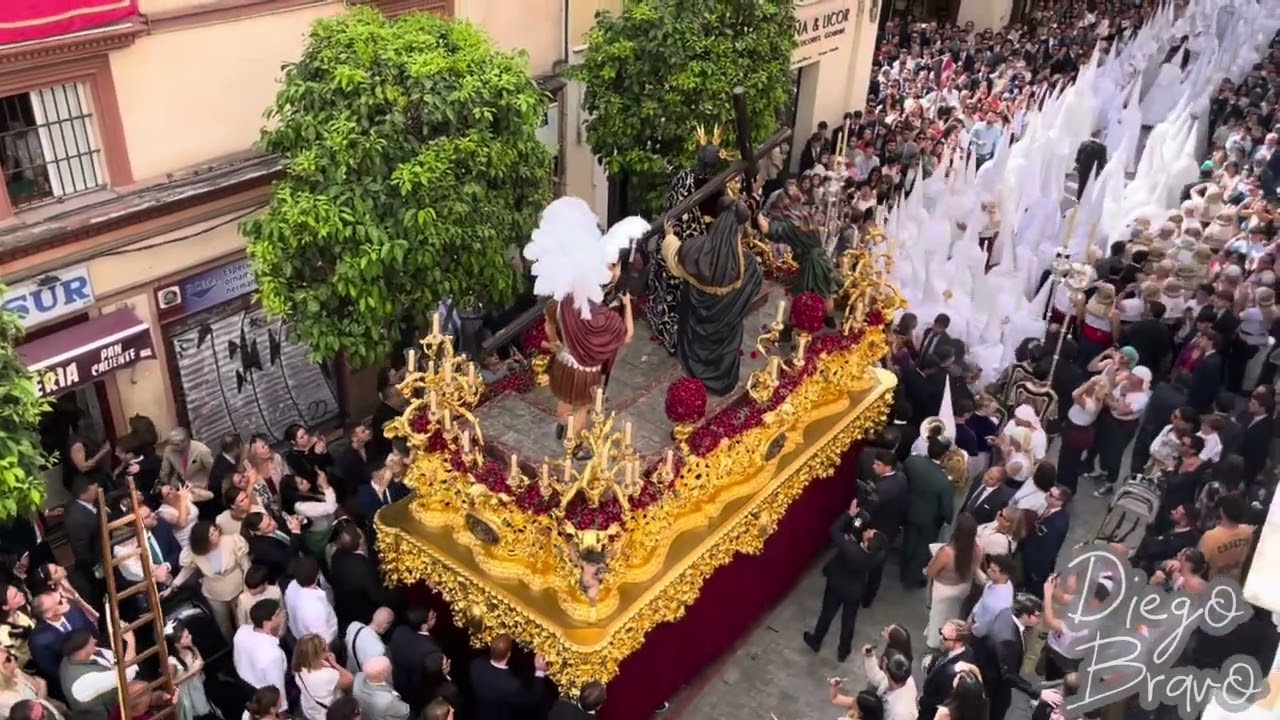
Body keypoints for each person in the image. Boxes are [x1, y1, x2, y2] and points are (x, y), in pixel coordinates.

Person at [526, 197, 640, 452]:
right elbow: (628, 335)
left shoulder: (566, 298)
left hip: (564, 363)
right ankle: (575, 445)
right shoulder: (603, 317)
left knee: (565, 398)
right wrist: (627, 303)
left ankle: (561, 428)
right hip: (586, 372)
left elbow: (549, 321)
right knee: (583, 407)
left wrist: (556, 343)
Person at [660, 200, 765, 396]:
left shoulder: (696, 250)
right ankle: (719, 379)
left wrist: (669, 236)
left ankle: (695, 370)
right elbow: (754, 285)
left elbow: (674, 258)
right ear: (738, 230)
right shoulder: (747, 264)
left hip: (696, 324)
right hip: (725, 330)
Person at [803, 498, 886, 661]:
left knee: (827, 614)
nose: (869, 531)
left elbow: (834, 530)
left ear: (866, 543)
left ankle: (816, 640)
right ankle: (843, 651)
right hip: (855, 590)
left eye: (870, 534)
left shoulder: (851, 549)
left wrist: (850, 514)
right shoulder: (878, 555)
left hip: (837, 585)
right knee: (849, 620)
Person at [173, 521, 251, 640]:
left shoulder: (232, 540)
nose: (215, 534)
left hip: (238, 588)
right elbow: (186, 570)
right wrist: (174, 584)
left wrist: (248, 585)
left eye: (215, 530)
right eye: (211, 534)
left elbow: (246, 564)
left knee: (243, 621)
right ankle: (230, 646)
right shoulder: (195, 553)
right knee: (223, 624)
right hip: (214, 594)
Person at [977, 594, 1042, 720]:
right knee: (997, 711)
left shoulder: (1006, 613)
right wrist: (1036, 691)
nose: (1039, 619)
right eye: (1037, 615)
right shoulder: (1009, 640)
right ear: (1025, 615)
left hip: (992, 667)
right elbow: (1008, 674)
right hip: (996, 684)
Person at [901, 438, 955, 588]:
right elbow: (946, 508)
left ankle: (903, 570)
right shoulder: (943, 481)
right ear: (943, 455)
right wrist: (948, 518)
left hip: (909, 511)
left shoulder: (912, 461)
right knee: (922, 550)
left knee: (909, 541)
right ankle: (912, 578)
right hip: (929, 520)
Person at [924, 513, 983, 649]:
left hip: (944, 589)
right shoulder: (977, 550)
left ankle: (934, 643)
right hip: (963, 587)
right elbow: (974, 569)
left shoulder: (946, 552)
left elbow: (931, 572)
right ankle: (950, 637)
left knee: (937, 618)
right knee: (953, 615)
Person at [468, 635, 547, 719]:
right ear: (509, 654)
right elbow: (532, 698)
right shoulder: (512, 685)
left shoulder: (476, 664)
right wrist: (540, 671)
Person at [233, 600, 288, 714]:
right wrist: (281, 710)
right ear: (266, 623)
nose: (282, 615)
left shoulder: (242, 631)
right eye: (278, 614)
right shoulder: (272, 655)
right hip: (264, 693)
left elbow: (236, 658)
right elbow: (277, 687)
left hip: (243, 684)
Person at [386, 608, 442, 714]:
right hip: (415, 694)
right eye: (432, 617)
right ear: (424, 625)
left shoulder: (399, 631)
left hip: (398, 682)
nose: (435, 615)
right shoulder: (430, 649)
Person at [918, 620, 975, 720]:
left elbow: (943, 699)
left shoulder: (953, 673)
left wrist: (922, 701)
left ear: (958, 642)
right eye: (941, 632)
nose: (941, 638)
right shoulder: (965, 649)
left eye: (945, 637)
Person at [164, 621, 219, 720]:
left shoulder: (189, 649)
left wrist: (193, 647)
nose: (190, 637)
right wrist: (190, 672)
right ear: (177, 644)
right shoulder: (172, 661)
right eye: (186, 637)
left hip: (197, 684)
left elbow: (200, 662)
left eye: (188, 634)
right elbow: (170, 682)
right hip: (186, 691)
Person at [293, 634, 353, 720]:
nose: (327, 649)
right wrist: (334, 663)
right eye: (324, 648)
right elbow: (349, 679)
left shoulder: (298, 667)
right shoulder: (326, 674)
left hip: (310, 710)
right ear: (316, 655)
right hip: (325, 715)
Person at [861, 647, 917, 720]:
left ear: (885, 664)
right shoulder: (905, 678)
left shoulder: (901, 714)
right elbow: (877, 677)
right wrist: (870, 657)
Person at [345, 607, 393, 673]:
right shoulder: (380, 650)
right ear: (386, 625)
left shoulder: (353, 626)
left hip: (350, 674)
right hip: (362, 682)